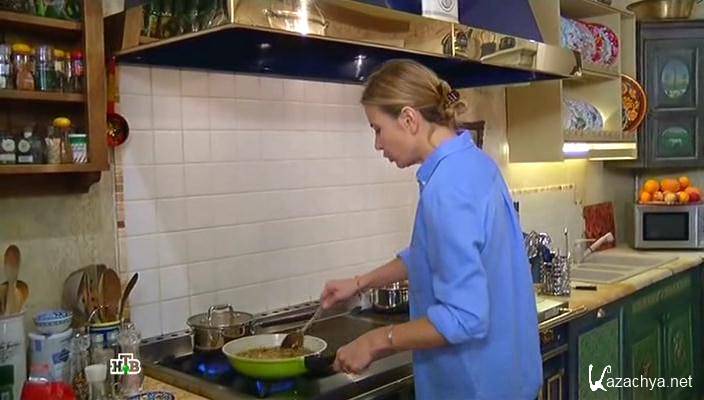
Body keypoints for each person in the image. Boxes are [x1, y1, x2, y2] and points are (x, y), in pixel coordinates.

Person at [320, 59, 543, 400]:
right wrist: (360, 282)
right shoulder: (472, 163)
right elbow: (429, 253)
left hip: (473, 386)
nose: (378, 144)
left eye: (377, 129)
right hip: (508, 379)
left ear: (409, 119)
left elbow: (465, 318)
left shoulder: (447, 189)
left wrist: (375, 341)